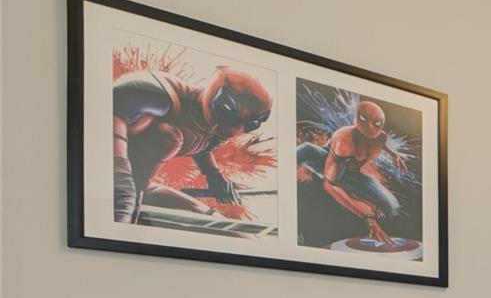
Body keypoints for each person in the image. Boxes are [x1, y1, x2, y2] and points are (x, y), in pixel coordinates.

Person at [112, 66, 272, 224]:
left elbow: (202, 144)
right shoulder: (160, 94)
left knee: (219, 224)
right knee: (168, 136)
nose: (231, 131)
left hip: (137, 185)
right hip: (113, 172)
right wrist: (121, 181)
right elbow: (113, 113)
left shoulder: (208, 128)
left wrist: (214, 175)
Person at [296, 99, 407, 244]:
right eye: (364, 120)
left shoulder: (380, 137)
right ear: (356, 119)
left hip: (352, 173)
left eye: (376, 124)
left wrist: (394, 155)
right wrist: (367, 217)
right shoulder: (344, 141)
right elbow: (329, 185)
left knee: (393, 207)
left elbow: (381, 143)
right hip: (325, 162)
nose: (370, 128)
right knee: (305, 150)